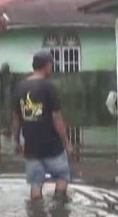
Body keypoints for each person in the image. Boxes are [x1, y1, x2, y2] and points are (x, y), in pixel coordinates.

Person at [12, 50, 73, 200]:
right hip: (52, 146)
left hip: (31, 147)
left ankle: (35, 216)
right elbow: (57, 119)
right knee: (62, 177)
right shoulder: (48, 87)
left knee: (35, 183)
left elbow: (16, 119)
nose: (52, 67)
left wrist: (16, 140)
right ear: (46, 66)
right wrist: (67, 143)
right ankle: (59, 211)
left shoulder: (19, 87)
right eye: (51, 64)